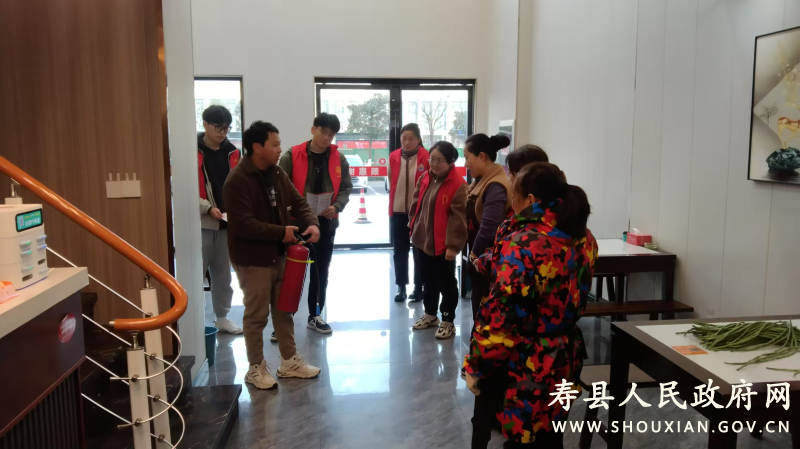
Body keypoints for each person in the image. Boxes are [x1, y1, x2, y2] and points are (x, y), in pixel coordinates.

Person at [464, 162, 597, 448]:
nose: (511, 201)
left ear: (530, 200)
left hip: (526, 361)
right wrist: (491, 261)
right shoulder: (584, 237)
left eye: (514, 193)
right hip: (566, 355)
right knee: (552, 433)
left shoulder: (523, 242)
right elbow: (550, 275)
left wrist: (477, 364)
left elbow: (501, 315)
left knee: (523, 436)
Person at [224, 121, 322, 390]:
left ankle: (289, 362)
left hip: (280, 254)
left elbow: (299, 202)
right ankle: (255, 368)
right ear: (257, 147)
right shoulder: (238, 180)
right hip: (252, 259)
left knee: (283, 310)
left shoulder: (277, 173)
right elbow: (243, 224)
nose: (280, 149)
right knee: (256, 316)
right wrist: (282, 232)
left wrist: (312, 223)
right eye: (275, 144)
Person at [280, 113, 352, 334]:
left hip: (326, 222)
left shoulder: (339, 158)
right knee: (292, 272)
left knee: (321, 272)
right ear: (313, 130)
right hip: (298, 223)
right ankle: (283, 321)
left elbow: (346, 188)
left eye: (331, 134)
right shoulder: (292, 155)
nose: (326, 138)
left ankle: (315, 315)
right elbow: (280, 186)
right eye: (323, 132)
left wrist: (337, 206)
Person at [408, 141, 468, 339]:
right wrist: (412, 225)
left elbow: (458, 219)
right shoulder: (426, 176)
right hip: (422, 239)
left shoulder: (458, 185)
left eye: (439, 161)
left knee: (446, 283)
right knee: (427, 280)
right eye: (432, 159)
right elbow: (416, 203)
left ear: (451, 162)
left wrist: (453, 246)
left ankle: (448, 320)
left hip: (443, 245)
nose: (433, 164)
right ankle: (431, 314)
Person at [198, 105, 243, 334]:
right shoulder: (192, 151)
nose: (223, 133)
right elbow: (180, 187)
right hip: (200, 222)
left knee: (223, 275)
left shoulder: (234, 153)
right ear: (205, 123)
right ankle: (192, 320)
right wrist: (207, 208)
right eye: (218, 127)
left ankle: (222, 317)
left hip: (227, 222)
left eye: (226, 128)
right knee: (196, 273)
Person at [463, 133, 512, 320]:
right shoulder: (481, 181)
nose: (465, 164)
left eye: (467, 157)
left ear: (482, 156)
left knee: (484, 310)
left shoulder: (496, 185)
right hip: (480, 257)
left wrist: (473, 257)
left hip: (487, 259)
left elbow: (488, 228)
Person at [388, 123, 429, 303]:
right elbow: (391, 181)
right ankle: (401, 287)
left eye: (411, 139)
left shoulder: (426, 157)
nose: (406, 142)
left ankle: (419, 287)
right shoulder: (394, 156)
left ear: (418, 139)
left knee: (419, 250)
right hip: (398, 210)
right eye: (404, 138)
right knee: (400, 250)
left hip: (420, 212)